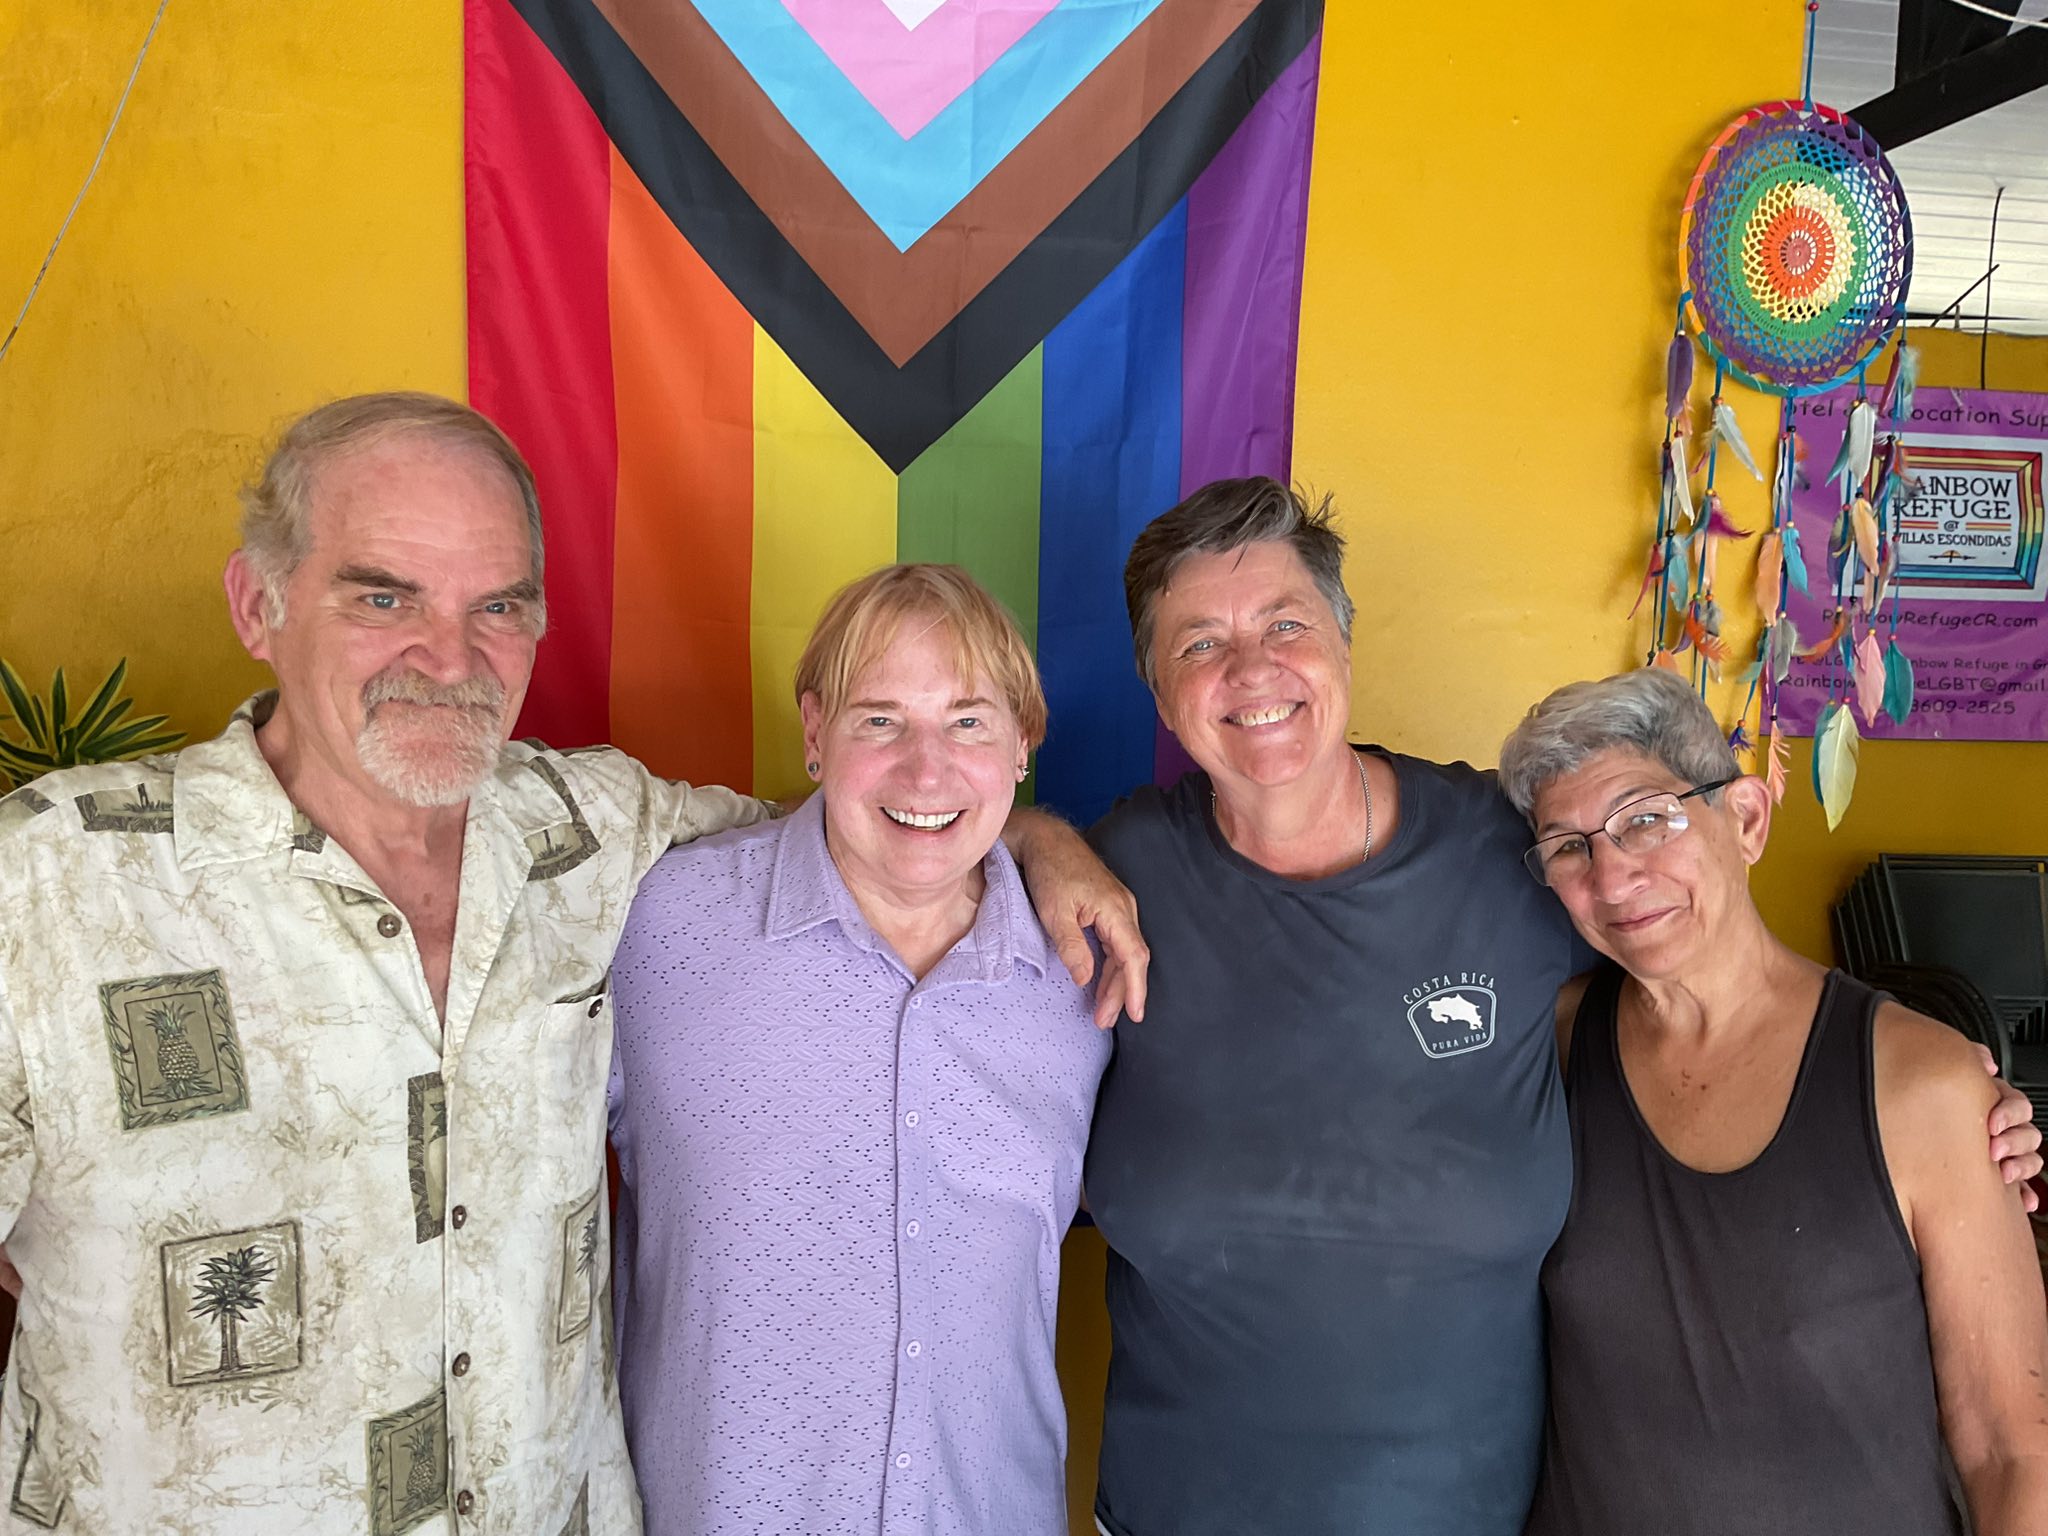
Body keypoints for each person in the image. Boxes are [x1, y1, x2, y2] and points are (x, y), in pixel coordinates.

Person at [0, 393, 1142, 1533]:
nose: (446, 655)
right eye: (383, 595)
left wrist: (1033, 840)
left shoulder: (592, 839)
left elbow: (880, 839)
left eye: (496, 604)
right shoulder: (46, 885)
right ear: (259, 604)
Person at [1075, 476, 2040, 1536]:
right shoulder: (1115, 873)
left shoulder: (1499, 854)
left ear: (1344, 642)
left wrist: (1929, 1088)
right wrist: (1035, 845)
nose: (1253, 668)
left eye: (1285, 623)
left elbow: (1701, 960)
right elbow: (963, 891)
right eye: (1199, 643)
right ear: (1157, 689)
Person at [608, 564, 1109, 1536]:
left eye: (968, 722)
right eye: (880, 720)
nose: (926, 771)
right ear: (814, 734)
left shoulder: (1090, 970)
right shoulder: (656, 926)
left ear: (1022, 744)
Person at [1499, 665, 2048, 1536]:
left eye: (1647, 818)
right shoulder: (1552, 1045)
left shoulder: (1921, 1084)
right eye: (1570, 847)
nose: (1613, 878)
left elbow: (2014, 1453)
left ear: (1747, 819)